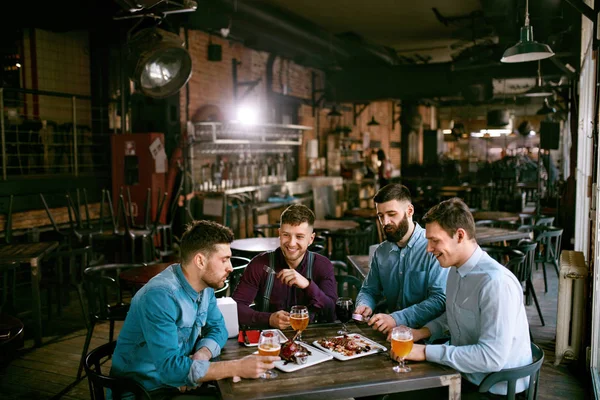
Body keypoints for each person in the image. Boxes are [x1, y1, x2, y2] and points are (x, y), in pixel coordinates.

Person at [111, 220, 279, 398]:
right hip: (146, 392)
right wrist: (237, 367)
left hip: (177, 383)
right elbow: (171, 369)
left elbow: (218, 328)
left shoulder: (204, 287)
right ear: (200, 260)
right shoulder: (160, 296)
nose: (230, 268)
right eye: (224, 260)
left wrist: (202, 355)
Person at [398, 198, 532, 397]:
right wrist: (421, 333)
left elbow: (491, 357)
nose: (428, 249)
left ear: (460, 235)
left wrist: (425, 352)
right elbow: (455, 315)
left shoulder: (495, 282)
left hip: (495, 389)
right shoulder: (455, 270)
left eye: (435, 240)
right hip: (465, 375)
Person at [354, 183, 447, 335]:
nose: (385, 222)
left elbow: (439, 300)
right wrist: (365, 304)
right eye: (380, 216)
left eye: (391, 214)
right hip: (392, 335)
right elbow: (369, 290)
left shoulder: (433, 247)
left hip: (428, 337)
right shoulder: (381, 252)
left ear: (409, 211)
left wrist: (397, 318)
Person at [232, 204, 337, 329]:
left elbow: (332, 313)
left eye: (299, 236)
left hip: (312, 341)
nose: (292, 243)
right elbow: (235, 309)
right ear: (279, 234)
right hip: (269, 342)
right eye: (286, 235)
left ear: (311, 239)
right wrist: (269, 319)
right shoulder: (259, 265)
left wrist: (308, 286)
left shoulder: (322, 265)